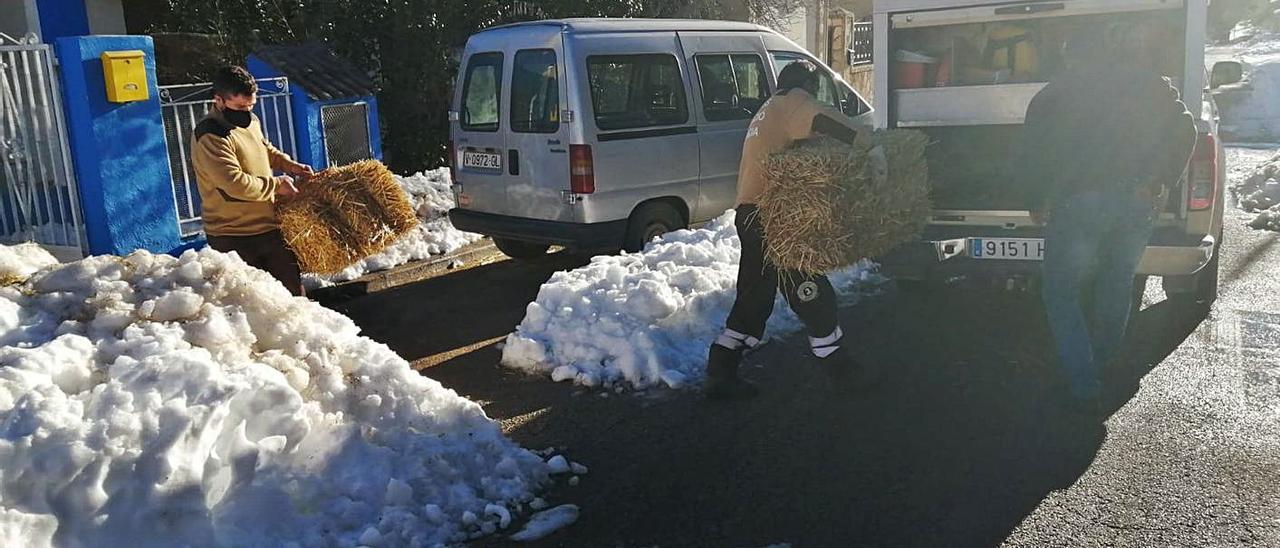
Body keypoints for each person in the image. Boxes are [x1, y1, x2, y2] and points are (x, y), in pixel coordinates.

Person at [1019, 23, 1197, 414]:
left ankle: (1083, 384)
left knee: (1061, 292)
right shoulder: (1148, 84)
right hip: (1136, 200)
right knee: (1116, 281)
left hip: (1079, 203)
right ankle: (1100, 362)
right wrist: (1160, 180)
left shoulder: (1053, 94)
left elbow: (1032, 154)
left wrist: (1034, 200)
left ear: (1071, 57)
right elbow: (1186, 127)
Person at [705, 61, 874, 401]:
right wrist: (870, 143)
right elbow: (825, 119)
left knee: (754, 297)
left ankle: (720, 370)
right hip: (773, 220)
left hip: (750, 215)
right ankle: (840, 367)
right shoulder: (794, 101)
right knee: (810, 290)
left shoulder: (769, 108)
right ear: (805, 86)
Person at [192, 66, 315, 296]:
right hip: (232, 235)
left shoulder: (250, 120)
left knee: (294, 298)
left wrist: (289, 165)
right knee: (253, 303)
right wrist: (277, 185)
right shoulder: (210, 135)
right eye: (240, 106)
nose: (246, 111)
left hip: (268, 227)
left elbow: (263, 148)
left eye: (251, 105)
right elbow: (234, 183)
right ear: (219, 100)